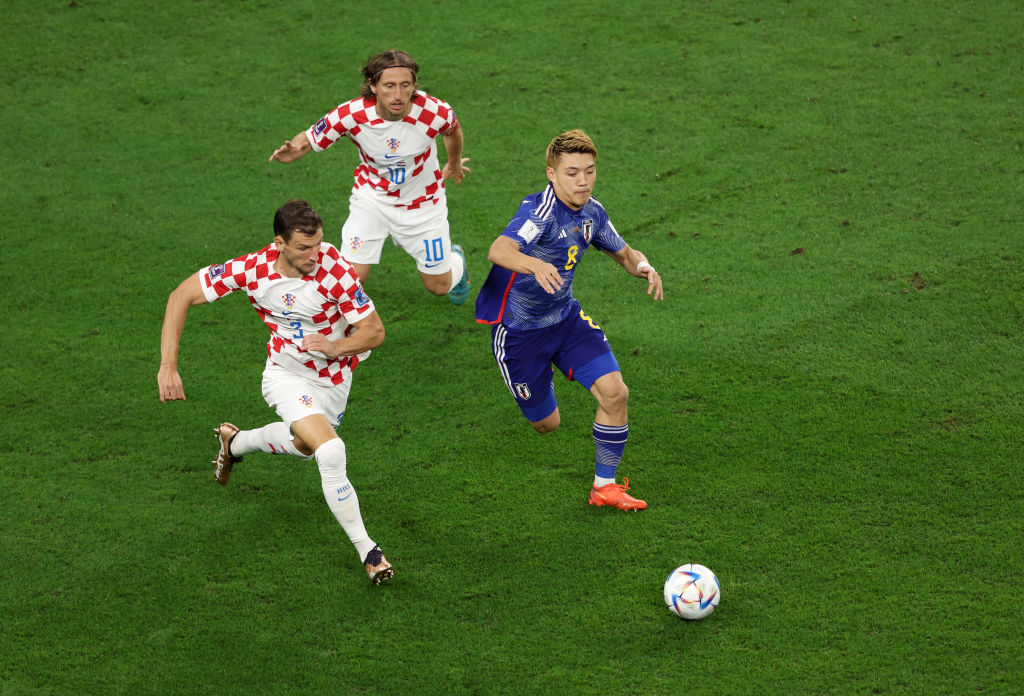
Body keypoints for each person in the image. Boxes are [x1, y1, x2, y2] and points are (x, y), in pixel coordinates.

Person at [157, 200, 394, 585]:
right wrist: (168, 366)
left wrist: (335, 347)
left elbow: (375, 332)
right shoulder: (252, 270)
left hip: (334, 379)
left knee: (305, 447)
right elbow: (179, 295)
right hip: (286, 374)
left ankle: (234, 444)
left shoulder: (334, 269)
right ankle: (369, 552)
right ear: (279, 243)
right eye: (304, 248)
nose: (315, 255)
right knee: (331, 451)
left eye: (318, 244)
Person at [474, 130, 664, 511]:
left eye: (589, 172)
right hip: (521, 336)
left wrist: (644, 267)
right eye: (573, 173)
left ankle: (604, 487)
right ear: (551, 173)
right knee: (547, 425)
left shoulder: (592, 212)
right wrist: (535, 264)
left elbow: (624, 253)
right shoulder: (539, 213)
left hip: (566, 321)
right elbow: (500, 249)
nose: (582, 181)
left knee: (616, 392)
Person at [269, 49, 472, 305]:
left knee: (439, 286)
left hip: (423, 206)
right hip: (372, 201)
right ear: (373, 86)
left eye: (405, 85)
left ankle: (456, 260)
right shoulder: (351, 115)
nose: (398, 95)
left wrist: (453, 162)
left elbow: (452, 131)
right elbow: (309, 137)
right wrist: (295, 150)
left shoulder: (434, 111)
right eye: (389, 86)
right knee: (349, 278)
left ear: (413, 85)